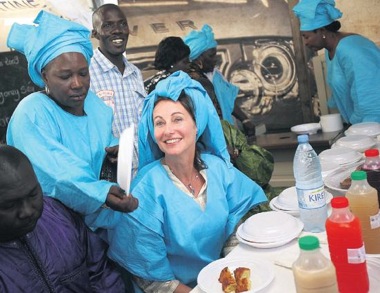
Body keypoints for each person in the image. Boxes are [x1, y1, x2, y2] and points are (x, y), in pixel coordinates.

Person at [104, 71, 267, 293]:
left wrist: (232, 284)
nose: (167, 130)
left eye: (177, 119)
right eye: (159, 123)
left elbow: (233, 234)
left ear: (197, 124)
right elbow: (154, 282)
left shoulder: (218, 170)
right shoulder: (146, 189)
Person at [6, 11, 138, 228]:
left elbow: (102, 141)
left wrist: (115, 155)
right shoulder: (32, 113)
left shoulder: (95, 106)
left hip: (100, 223)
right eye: (65, 76)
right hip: (57, 228)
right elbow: (57, 172)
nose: (77, 84)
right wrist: (100, 192)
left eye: (83, 73)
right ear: (44, 76)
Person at [0, 145, 125, 292]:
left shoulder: (58, 214)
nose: (27, 211)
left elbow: (101, 271)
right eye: (9, 205)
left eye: (33, 195)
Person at [293, 0, 380, 125]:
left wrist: (360, 133)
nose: (306, 43)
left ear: (322, 31)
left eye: (307, 37)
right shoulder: (332, 49)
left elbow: (372, 101)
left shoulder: (352, 50)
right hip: (360, 125)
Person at [90, 3, 146, 176]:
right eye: (108, 25)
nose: (117, 30)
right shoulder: (86, 73)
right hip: (111, 177)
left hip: (145, 170)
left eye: (122, 24)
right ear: (95, 33)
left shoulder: (135, 73)